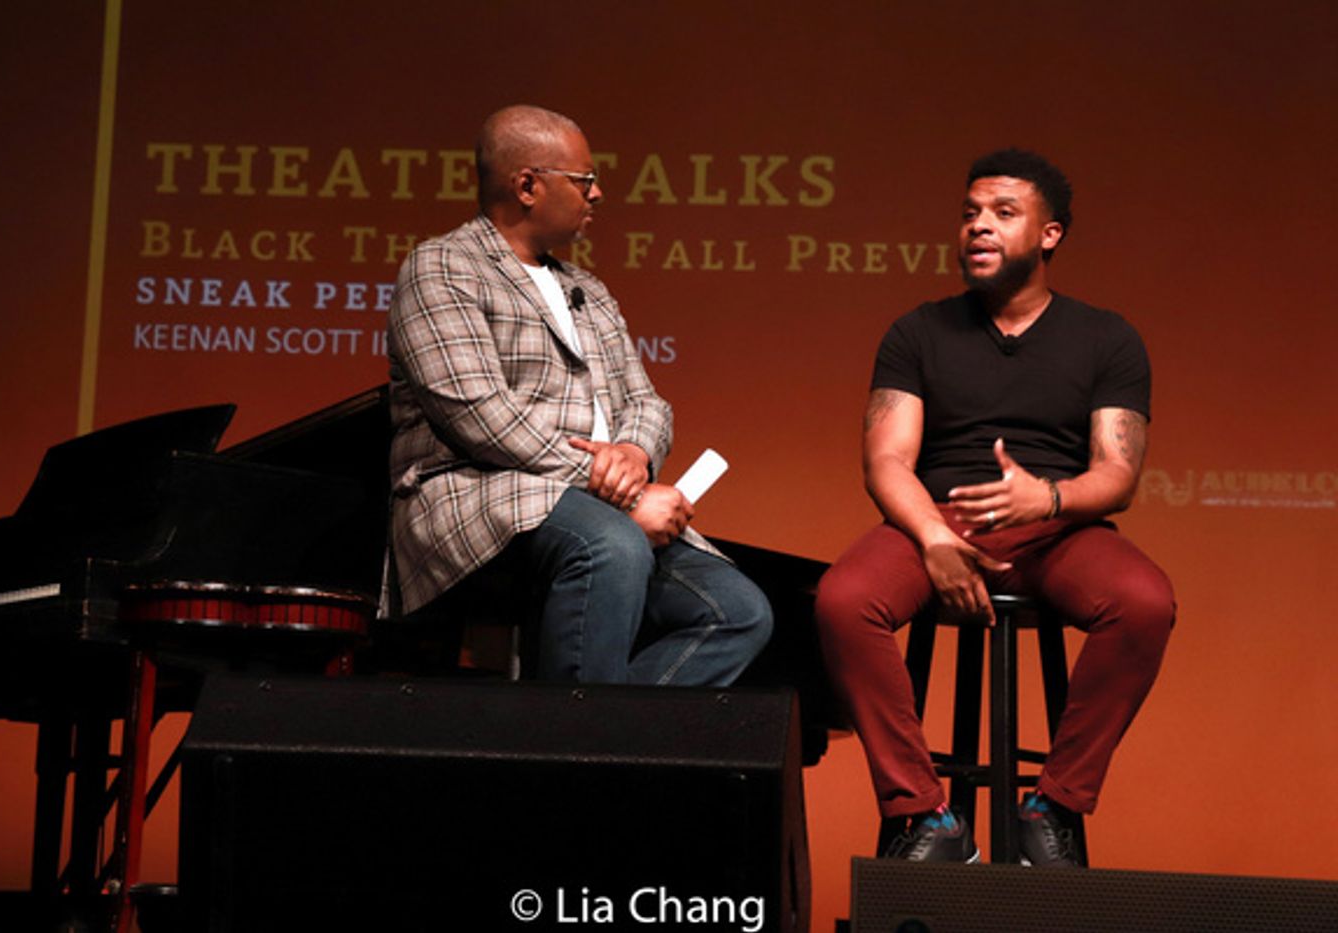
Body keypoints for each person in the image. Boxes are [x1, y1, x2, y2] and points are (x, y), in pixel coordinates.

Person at [815, 149, 1175, 866]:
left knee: (1144, 602)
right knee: (842, 598)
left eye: (1003, 214)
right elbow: (886, 458)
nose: (979, 227)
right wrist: (931, 538)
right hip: (937, 514)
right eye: (970, 213)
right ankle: (927, 813)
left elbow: (1118, 473)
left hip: (1056, 526)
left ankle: (1055, 803)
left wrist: (1046, 496)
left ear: (1050, 234)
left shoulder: (1107, 337)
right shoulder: (918, 331)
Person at [387, 104, 771, 686]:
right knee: (611, 545)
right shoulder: (443, 266)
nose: (598, 194)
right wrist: (613, 493)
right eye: (584, 180)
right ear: (527, 185)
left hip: (596, 507)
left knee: (737, 612)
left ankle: (595, 744)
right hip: (481, 490)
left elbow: (648, 404)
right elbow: (479, 415)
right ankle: (581, 758)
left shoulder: (584, 288)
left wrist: (635, 457)